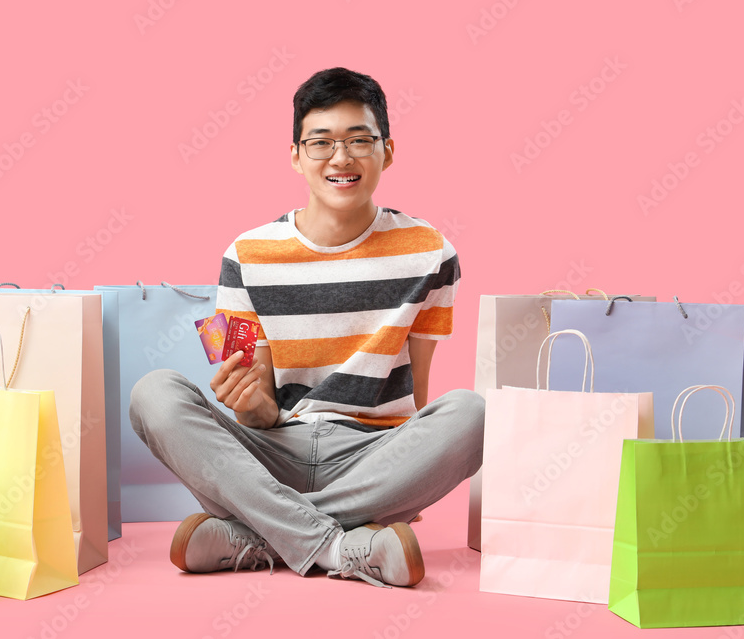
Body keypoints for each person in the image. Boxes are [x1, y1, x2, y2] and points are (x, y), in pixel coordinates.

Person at [129, 67, 484, 588]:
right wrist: (250, 403)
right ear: (295, 155)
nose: (341, 158)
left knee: (472, 414)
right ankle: (342, 546)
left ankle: (255, 537)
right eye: (321, 142)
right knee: (153, 393)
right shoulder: (244, 254)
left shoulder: (431, 251)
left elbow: (419, 392)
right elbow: (259, 409)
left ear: (387, 150)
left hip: (371, 456)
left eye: (359, 140)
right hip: (273, 453)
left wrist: (412, 474)